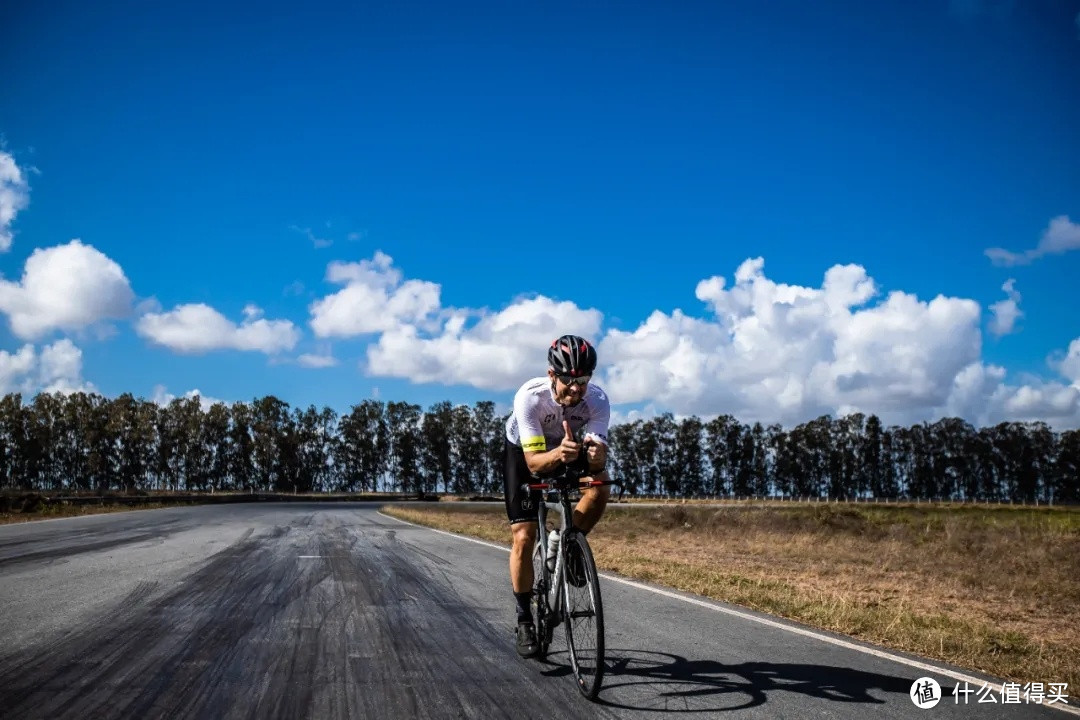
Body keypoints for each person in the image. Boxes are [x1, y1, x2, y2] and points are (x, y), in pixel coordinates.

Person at [502, 334, 611, 658]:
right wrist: (560, 454)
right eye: (568, 381)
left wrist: (595, 458)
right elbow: (535, 463)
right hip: (523, 452)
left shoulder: (598, 400)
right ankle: (524, 619)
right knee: (523, 535)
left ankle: (569, 545)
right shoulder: (530, 398)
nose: (576, 389)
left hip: (568, 447)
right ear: (552, 375)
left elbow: (599, 457)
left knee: (600, 486)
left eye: (582, 381)